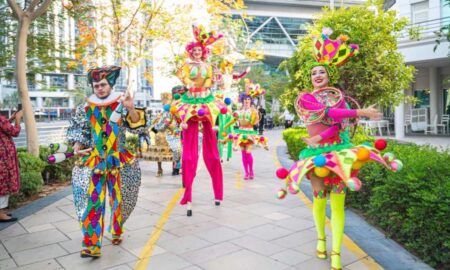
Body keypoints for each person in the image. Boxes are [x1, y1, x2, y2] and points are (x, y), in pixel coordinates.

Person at [276, 28, 402, 270]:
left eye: (321, 71)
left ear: (329, 74)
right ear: (310, 78)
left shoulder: (338, 97)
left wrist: (322, 135)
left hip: (339, 152)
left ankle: (336, 253)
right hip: (316, 157)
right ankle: (321, 241)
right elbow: (329, 114)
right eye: (314, 73)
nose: (317, 75)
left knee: (337, 204)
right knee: (319, 201)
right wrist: (360, 112)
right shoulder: (305, 98)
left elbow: (337, 125)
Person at [67, 66, 143, 258]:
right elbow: (81, 131)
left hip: (118, 160)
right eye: (96, 86)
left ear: (110, 85)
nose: (99, 88)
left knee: (118, 201)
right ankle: (91, 245)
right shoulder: (85, 107)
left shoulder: (122, 103)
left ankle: (117, 231)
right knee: (93, 202)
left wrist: (131, 108)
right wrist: (77, 146)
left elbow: (138, 127)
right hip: (96, 162)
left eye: (103, 85)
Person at [172, 24, 225, 216]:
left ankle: (218, 192)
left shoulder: (207, 66)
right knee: (188, 154)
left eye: (198, 50)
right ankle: (188, 193)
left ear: (202, 52)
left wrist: (206, 80)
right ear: (190, 51)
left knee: (212, 153)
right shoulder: (186, 66)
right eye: (193, 50)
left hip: (206, 100)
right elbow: (184, 79)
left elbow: (210, 80)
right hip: (189, 101)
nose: (196, 52)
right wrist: (189, 81)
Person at [227, 80, 268, 180]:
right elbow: (234, 120)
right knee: (243, 154)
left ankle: (251, 171)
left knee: (248, 152)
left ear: (250, 101)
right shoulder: (239, 111)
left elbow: (255, 123)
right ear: (242, 101)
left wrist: (257, 115)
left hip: (249, 133)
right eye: (245, 100)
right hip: (240, 133)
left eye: (248, 100)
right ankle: (246, 172)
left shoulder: (253, 111)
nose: (246, 102)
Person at [146, 90, 182, 176]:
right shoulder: (164, 112)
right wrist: (154, 129)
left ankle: (175, 168)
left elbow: (167, 123)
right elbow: (161, 123)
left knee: (176, 150)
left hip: (171, 133)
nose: (164, 103)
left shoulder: (173, 111)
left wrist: (155, 129)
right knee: (161, 151)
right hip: (164, 134)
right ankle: (161, 169)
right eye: (164, 101)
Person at [0, 108, 23, 222]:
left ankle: (1, 211)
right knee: (4, 182)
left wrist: (10, 119)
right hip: (3, 157)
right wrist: (18, 120)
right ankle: (0, 213)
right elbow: (15, 132)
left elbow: (3, 127)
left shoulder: (2, 120)